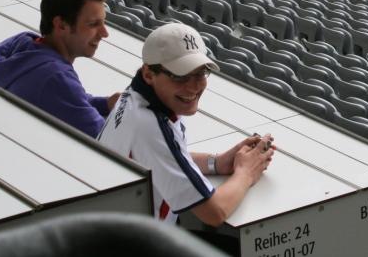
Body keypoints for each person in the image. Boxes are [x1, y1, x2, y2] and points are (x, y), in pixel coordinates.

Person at [98, 22, 275, 229]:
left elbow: (162, 160)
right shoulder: (150, 125)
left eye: (201, 73)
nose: (194, 86)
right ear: (149, 74)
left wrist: (216, 163)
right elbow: (214, 212)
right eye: (179, 75)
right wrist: (246, 172)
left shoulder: (136, 94)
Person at [0, 0, 119, 137]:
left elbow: (69, 100)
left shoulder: (24, 47)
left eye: (103, 23)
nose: (104, 33)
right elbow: (107, 141)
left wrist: (106, 104)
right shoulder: (55, 77)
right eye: (93, 24)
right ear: (61, 25)